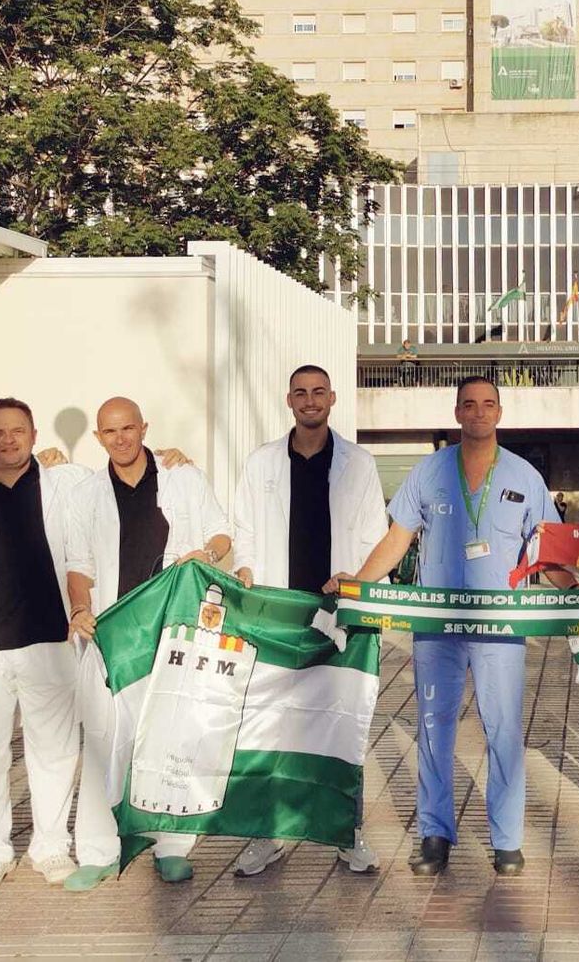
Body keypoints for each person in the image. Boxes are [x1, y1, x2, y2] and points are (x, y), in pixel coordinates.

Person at [324, 376, 579, 877]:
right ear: (457, 412)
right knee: (433, 726)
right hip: (437, 624)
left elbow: (545, 552)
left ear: (500, 412)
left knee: (503, 729)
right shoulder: (428, 472)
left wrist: (575, 587)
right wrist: (358, 582)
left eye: (488, 404)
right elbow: (397, 540)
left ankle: (507, 840)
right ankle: (435, 834)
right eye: (469, 404)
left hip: (499, 627)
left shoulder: (525, 476)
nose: (478, 412)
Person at [62, 397, 233, 891]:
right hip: (115, 631)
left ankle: (171, 847)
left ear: (143, 428)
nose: (120, 439)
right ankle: (98, 851)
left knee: (172, 737)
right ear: (98, 438)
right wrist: (80, 608)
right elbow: (78, 565)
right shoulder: (85, 494)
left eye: (128, 428)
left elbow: (221, 533)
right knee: (102, 739)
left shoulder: (183, 478)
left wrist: (208, 554)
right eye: (109, 432)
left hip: (174, 627)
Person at [228, 364, 388, 878]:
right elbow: (244, 529)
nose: (310, 400)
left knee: (341, 727)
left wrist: (358, 579)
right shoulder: (262, 462)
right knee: (268, 727)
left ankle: (346, 833)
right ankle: (266, 834)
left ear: (332, 398)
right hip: (279, 614)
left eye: (319, 392)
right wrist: (246, 569)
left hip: (337, 613)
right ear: (289, 400)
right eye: (301, 392)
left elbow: (374, 535)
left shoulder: (360, 464)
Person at [0, 398, 94, 891]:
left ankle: (51, 847)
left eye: (18, 431)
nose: (9, 440)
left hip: (48, 640)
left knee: (54, 751)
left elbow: (120, 479)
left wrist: (175, 462)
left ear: (33, 435)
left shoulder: (63, 486)